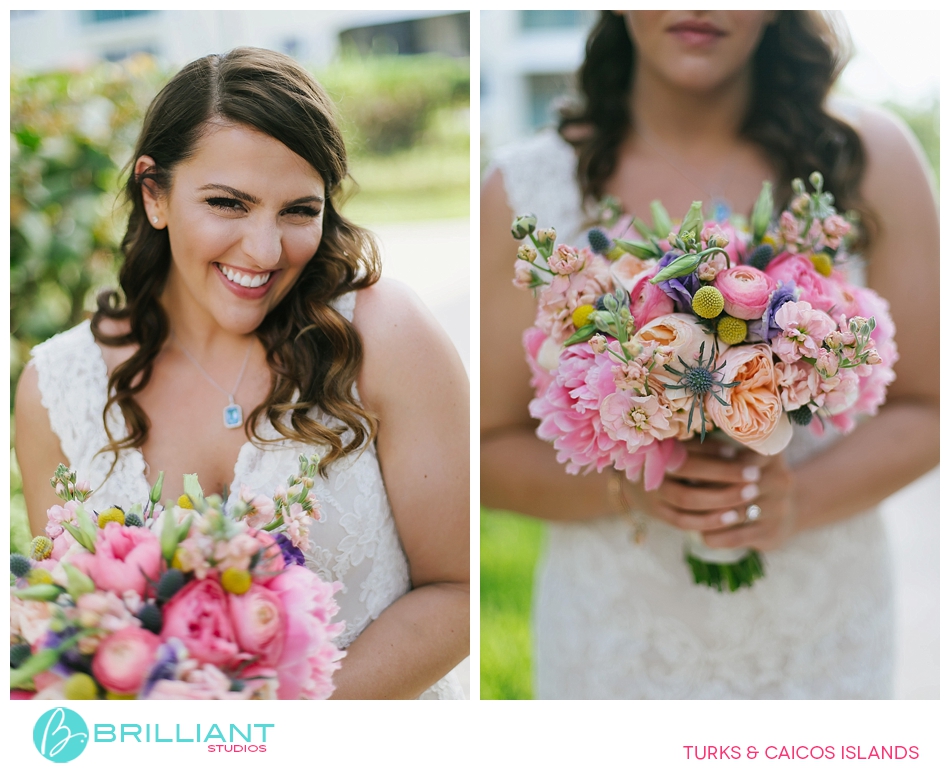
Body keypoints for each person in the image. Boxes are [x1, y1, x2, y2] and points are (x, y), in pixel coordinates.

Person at [481, 11, 938, 698]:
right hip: (618, 639)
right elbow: (485, 450)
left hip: (820, 627)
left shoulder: (873, 157)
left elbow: (932, 407)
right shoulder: (524, 188)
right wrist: (628, 481)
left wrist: (793, 501)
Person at [16, 47, 469, 699]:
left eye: (299, 210)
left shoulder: (385, 334)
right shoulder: (56, 388)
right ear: (155, 194)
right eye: (229, 203)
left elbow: (457, 590)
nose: (265, 250)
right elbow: (77, 629)